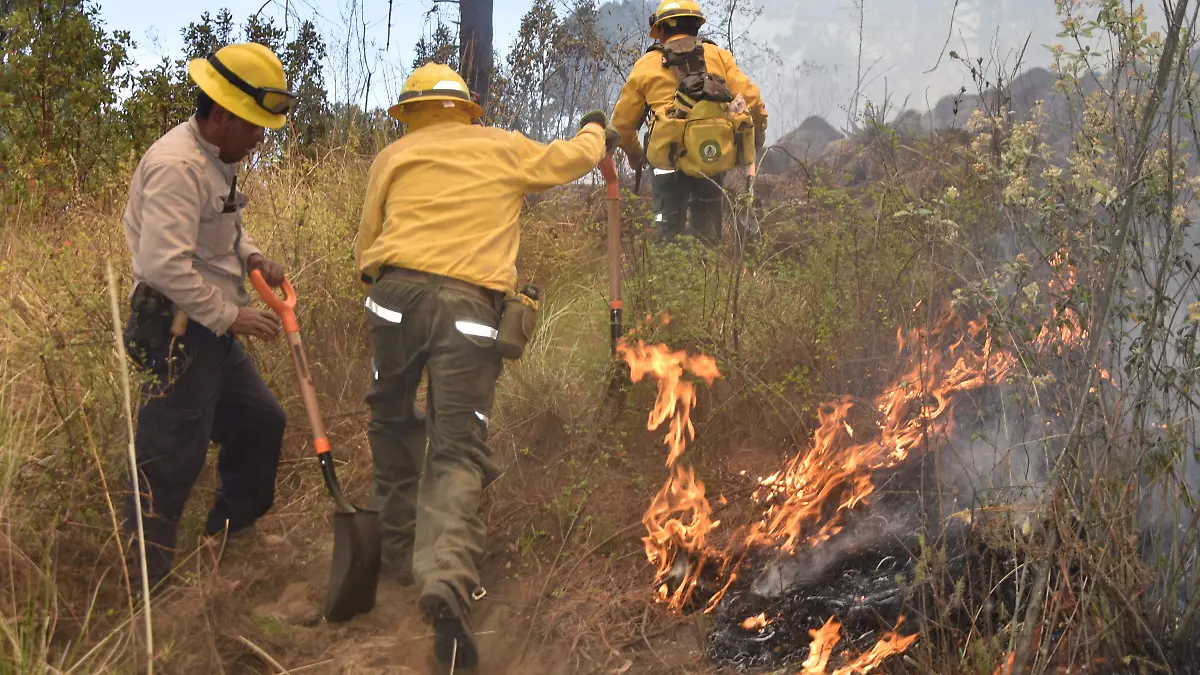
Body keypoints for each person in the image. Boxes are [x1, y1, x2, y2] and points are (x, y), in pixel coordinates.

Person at [355, 62, 619, 669]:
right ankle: (443, 580)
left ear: (411, 112)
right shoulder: (500, 146)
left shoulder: (392, 158)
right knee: (455, 448)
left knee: (390, 421)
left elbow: (367, 248)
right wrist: (595, 129)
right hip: (468, 311)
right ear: (465, 109)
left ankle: (397, 554)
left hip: (392, 297)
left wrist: (390, 294)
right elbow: (571, 158)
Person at [120, 41, 295, 599]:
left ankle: (228, 533)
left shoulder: (217, 158)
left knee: (260, 423)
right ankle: (148, 593)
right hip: (176, 328)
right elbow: (162, 265)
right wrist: (233, 315)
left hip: (208, 329)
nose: (260, 137)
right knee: (169, 457)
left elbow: (222, 234)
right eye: (253, 125)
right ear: (220, 114)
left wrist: (251, 257)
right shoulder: (178, 166)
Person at [611, 0, 768, 244]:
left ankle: (671, 272)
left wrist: (635, 154)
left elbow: (622, 125)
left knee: (667, 229)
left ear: (661, 31)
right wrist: (758, 134)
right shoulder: (718, 56)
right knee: (707, 228)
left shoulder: (646, 65)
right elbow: (752, 99)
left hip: (666, 161)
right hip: (711, 156)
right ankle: (705, 274)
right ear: (696, 26)